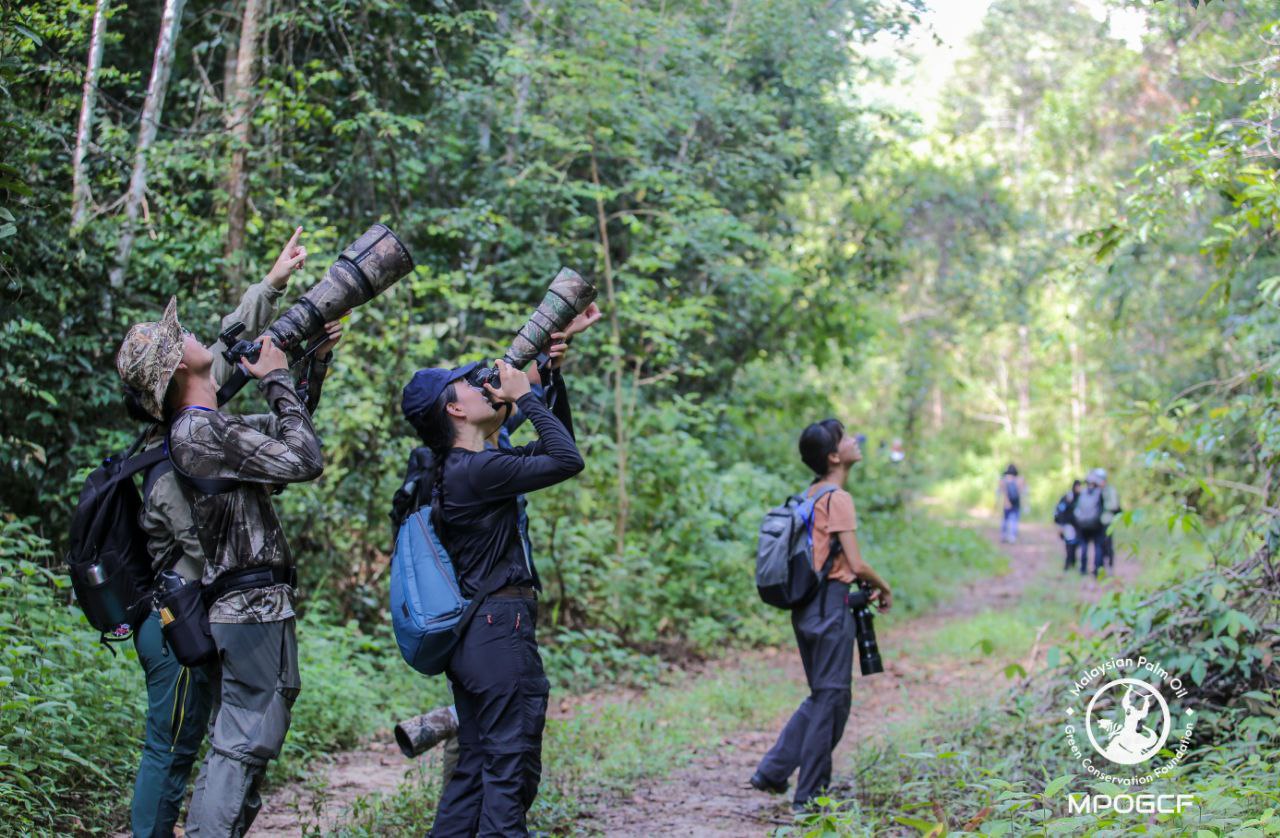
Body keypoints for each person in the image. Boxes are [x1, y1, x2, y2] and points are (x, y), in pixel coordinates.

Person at [117, 229, 340, 837]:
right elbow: (303, 459)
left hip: (237, 605)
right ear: (171, 369)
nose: (191, 335)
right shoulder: (197, 434)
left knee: (240, 740)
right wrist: (274, 377)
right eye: (178, 340)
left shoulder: (206, 427)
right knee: (217, 746)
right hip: (226, 607)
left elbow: (288, 434)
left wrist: (305, 366)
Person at [401, 347, 584, 837]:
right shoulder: (477, 472)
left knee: (476, 768)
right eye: (467, 383)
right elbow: (568, 460)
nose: (482, 385)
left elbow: (554, 449)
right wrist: (525, 394)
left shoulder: (467, 468)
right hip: (499, 635)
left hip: (476, 639)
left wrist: (547, 377)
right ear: (455, 409)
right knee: (511, 769)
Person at [751, 419, 892, 812]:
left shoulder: (810, 495)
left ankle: (774, 771)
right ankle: (809, 797)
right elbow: (857, 563)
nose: (854, 441)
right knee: (831, 700)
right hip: (830, 605)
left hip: (807, 607)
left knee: (825, 698)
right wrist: (886, 586)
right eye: (846, 438)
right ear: (834, 456)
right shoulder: (838, 498)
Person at [1073, 473, 1107, 577]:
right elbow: (1102, 509)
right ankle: (1097, 570)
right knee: (1097, 546)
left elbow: (1076, 508)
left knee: (1084, 546)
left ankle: (1083, 569)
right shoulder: (1099, 493)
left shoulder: (1082, 493)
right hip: (1096, 525)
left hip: (1083, 525)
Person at [1054, 480, 1083, 574]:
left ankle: (1072, 563)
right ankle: (1068, 563)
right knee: (1069, 544)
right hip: (1068, 525)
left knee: (1075, 545)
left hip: (1077, 526)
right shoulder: (1068, 497)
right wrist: (1060, 525)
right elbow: (1061, 512)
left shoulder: (1081, 497)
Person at [1094, 468, 1122, 568]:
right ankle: (1099, 567)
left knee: (1108, 544)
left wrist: (1103, 505)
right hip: (1096, 523)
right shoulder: (1095, 491)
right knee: (1098, 545)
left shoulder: (1110, 490)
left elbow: (1115, 505)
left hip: (1107, 522)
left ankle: (1110, 565)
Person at [997, 464, 1026, 544]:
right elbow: (1023, 492)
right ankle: (1012, 536)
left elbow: (1001, 491)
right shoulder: (1019, 480)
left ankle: (1004, 535)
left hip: (1007, 503)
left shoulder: (1004, 480)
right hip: (1016, 503)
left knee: (1006, 519)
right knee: (1013, 520)